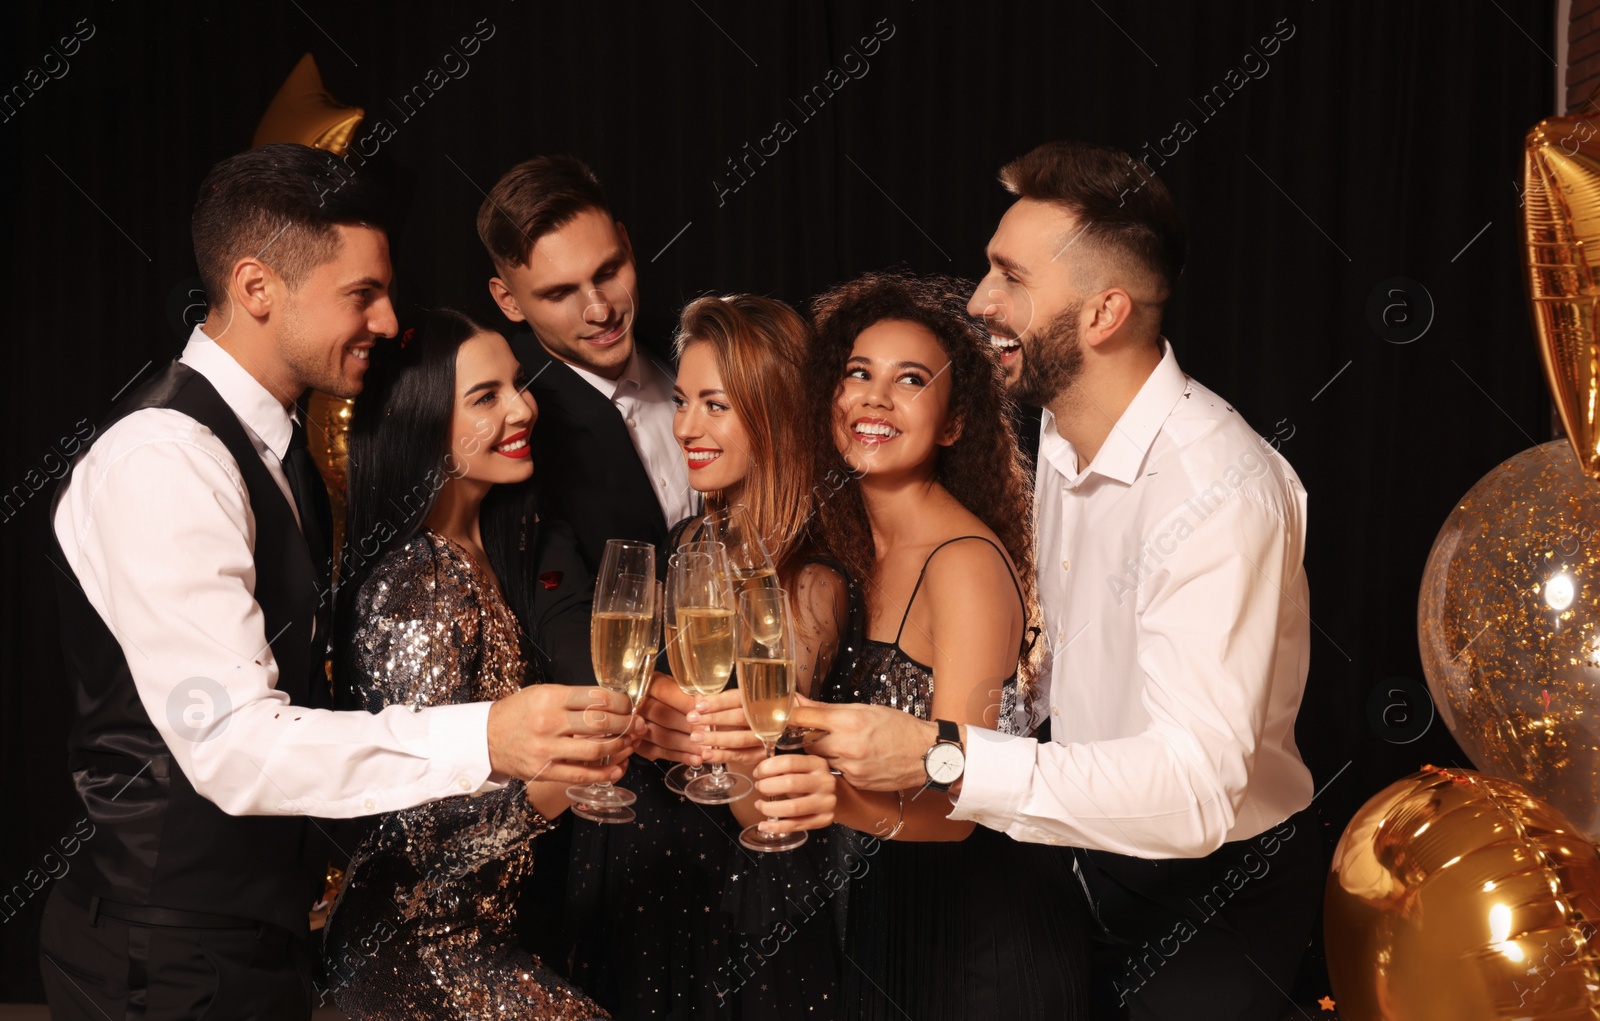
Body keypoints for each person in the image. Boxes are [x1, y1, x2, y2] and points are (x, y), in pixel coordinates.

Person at [40, 144, 636, 1021]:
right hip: (161, 960)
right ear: (256, 288)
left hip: (262, 946)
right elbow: (234, 747)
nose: (391, 322)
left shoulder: (274, 451)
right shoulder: (162, 461)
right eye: (362, 294)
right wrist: (490, 737)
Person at [790, 143, 1321, 1020]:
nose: (979, 302)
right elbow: (1069, 657)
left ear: (1104, 312)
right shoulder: (1066, 434)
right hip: (1078, 855)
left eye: (1011, 277)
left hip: (1214, 890)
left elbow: (1195, 790)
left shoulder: (1220, 489)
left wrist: (942, 755)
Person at [713, 270, 1090, 1020]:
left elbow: (963, 805)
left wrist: (832, 797)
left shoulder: (966, 565)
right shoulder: (841, 551)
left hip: (979, 939)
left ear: (952, 424)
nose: (875, 398)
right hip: (885, 922)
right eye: (858, 373)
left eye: (910, 380)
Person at [323, 308, 610, 1019]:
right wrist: (573, 777)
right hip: (419, 948)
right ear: (425, 424)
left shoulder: (487, 552)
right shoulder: (422, 578)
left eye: (517, 384)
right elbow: (424, 837)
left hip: (484, 932)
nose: (522, 407)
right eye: (486, 397)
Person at [479, 155, 694, 572]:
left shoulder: (694, 353)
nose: (599, 310)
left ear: (627, 245)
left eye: (608, 271)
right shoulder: (511, 429)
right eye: (559, 294)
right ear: (509, 301)